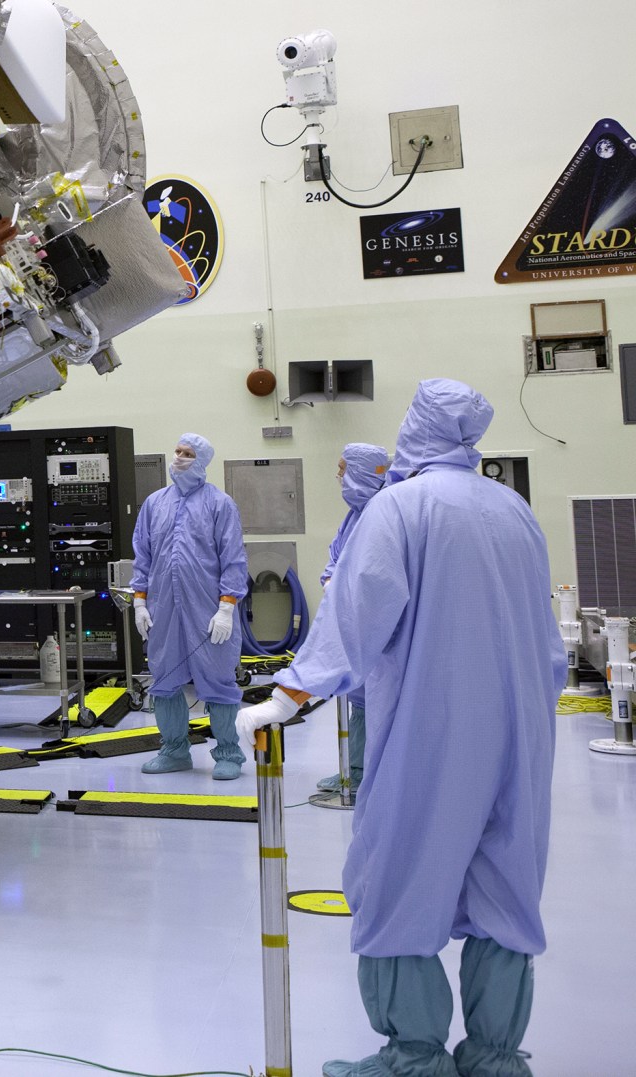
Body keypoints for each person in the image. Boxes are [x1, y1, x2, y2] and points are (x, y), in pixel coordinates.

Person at [238, 381, 561, 1077]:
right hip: (522, 733)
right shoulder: (514, 509)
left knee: (397, 881)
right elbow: (548, 640)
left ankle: (415, 1057)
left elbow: (357, 617)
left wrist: (288, 694)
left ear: (417, 427)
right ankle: (496, 1059)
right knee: (506, 889)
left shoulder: (401, 508)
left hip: (432, 733)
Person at [130, 433, 249, 779]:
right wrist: (140, 602)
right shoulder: (154, 503)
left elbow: (234, 560)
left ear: (202, 462)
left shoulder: (219, 504)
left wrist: (226, 607)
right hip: (163, 608)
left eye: (188, 453)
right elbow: (143, 557)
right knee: (164, 676)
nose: (179, 458)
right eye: (178, 451)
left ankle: (228, 754)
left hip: (208, 609)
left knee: (218, 677)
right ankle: (174, 751)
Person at [279, 442, 391, 796]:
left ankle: (379, 776)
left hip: (380, 627)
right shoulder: (355, 514)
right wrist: (330, 580)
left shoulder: (388, 512)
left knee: (382, 699)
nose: (339, 476)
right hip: (352, 623)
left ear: (361, 471)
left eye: (344, 469)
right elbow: (337, 556)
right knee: (359, 699)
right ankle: (356, 772)